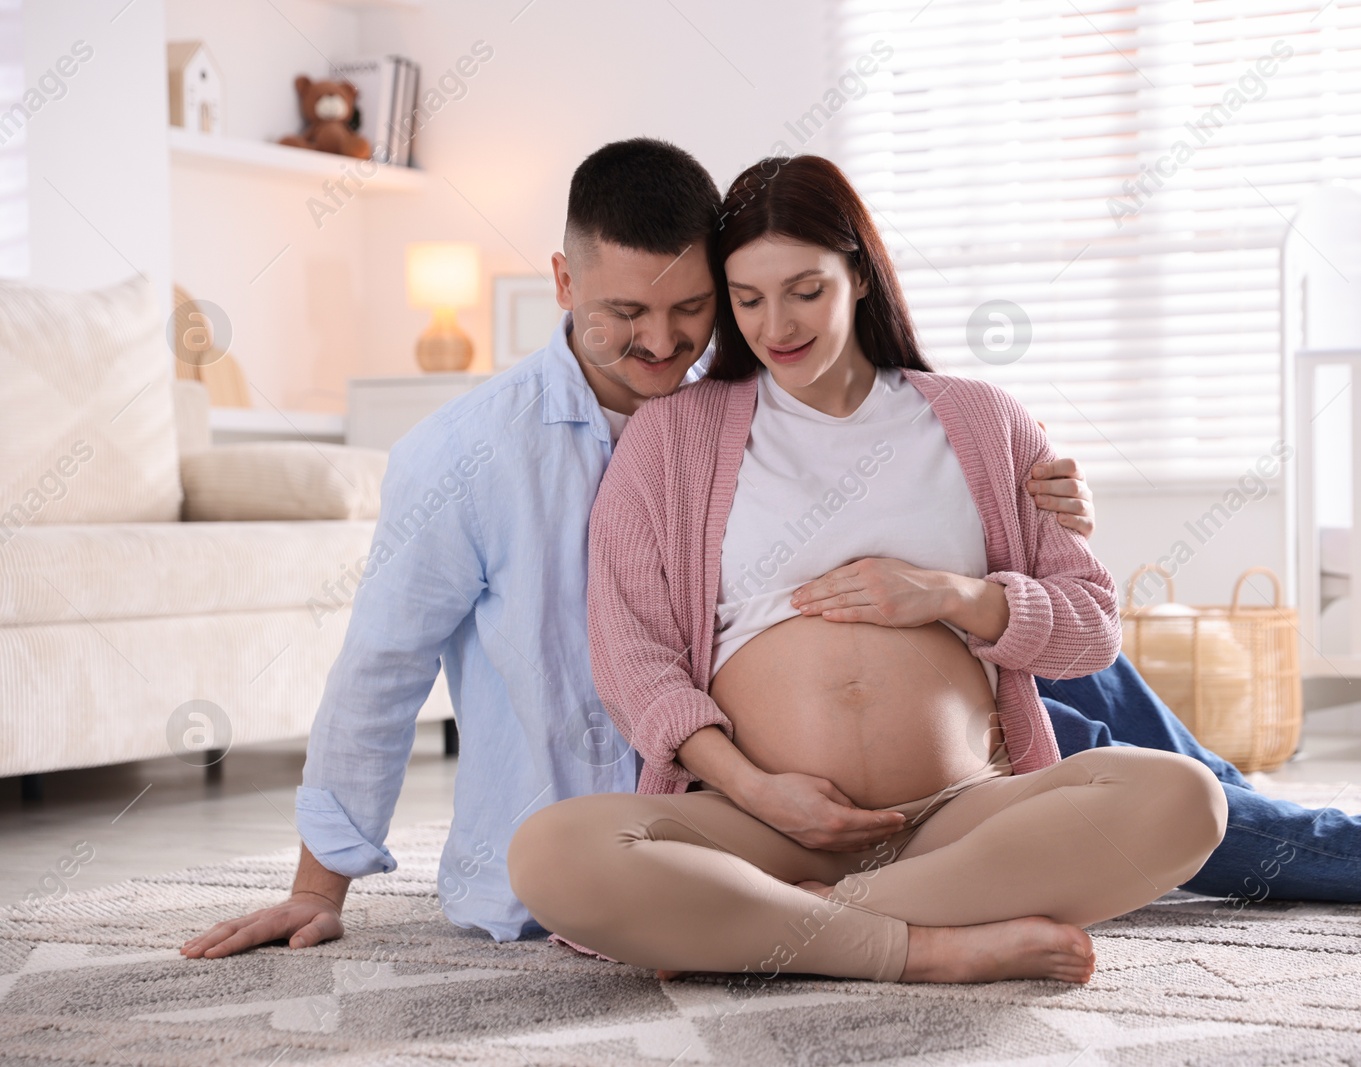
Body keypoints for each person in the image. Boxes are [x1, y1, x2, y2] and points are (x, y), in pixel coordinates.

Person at [178, 139, 1094, 960]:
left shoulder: (752, 401)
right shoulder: (465, 457)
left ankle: (837, 913)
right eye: (624, 312)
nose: (661, 342)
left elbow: (1054, 591)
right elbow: (380, 669)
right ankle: (910, 935)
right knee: (564, 858)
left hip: (942, 761)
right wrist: (316, 888)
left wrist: (1023, 493)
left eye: (692, 307)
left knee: (1163, 774)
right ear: (563, 284)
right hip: (664, 829)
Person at [506, 154, 1231, 984]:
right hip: (758, 822)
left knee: (1186, 798)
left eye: (804, 290)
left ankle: (784, 926)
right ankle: (927, 942)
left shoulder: (980, 421)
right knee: (553, 852)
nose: (776, 324)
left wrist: (957, 595)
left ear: (858, 270)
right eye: (747, 299)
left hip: (962, 815)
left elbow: (1092, 631)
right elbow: (634, 664)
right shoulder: (672, 440)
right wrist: (755, 789)